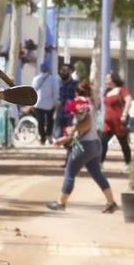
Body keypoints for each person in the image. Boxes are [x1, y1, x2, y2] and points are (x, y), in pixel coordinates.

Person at [46, 80, 119, 213]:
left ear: (77, 92)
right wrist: (65, 139)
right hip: (96, 144)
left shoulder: (81, 105)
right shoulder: (92, 105)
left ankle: (61, 202)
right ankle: (111, 202)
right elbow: (85, 129)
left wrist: (72, 129)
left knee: (70, 172)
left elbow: (86, 125)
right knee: (97, 174)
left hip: (84, 146)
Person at [99, 71, 133, 170]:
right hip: (107, 123)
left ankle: (128, 163)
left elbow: (128, 100)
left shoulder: (121, 90)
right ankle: (100, 162)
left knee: (123, 143)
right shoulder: (107, 92)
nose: (106, 81)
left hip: (119, 122)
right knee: (102, 141)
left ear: (113, 79)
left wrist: (125, 114)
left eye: (108, 79)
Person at [31, 62, 58, 145]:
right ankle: (48, 134)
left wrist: (32, 103)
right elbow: (56, 92)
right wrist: (55, 102)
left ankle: (42, 138)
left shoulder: (36, 79)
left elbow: (33, 91)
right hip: (50, 104)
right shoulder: (53, 79)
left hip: (38, 104)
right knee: (50, 121)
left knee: (41, 122)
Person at [54, 62, 77, 140]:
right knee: (57, 136)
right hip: (59, 113)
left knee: (68, 136)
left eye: (65, 70)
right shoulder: (58, 83)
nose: (62, 72)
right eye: (61, 70)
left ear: (71, 71)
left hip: (70, 114)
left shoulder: (75, 84)